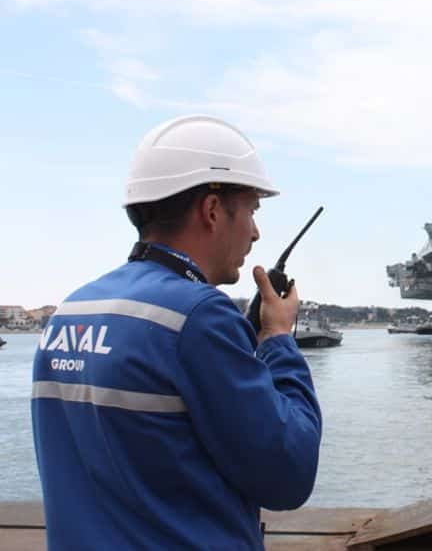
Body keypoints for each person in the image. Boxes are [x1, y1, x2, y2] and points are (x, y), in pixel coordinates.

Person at [31, 116, 322, 550]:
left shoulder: (71, 312)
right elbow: (288, 474)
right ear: (211, 210)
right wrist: (277, 338)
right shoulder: (200, 317)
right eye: (251, 211)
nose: (256, 232)